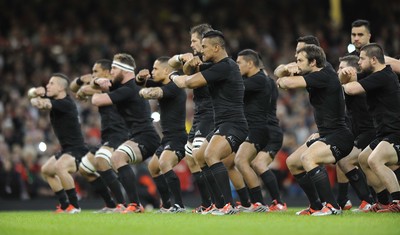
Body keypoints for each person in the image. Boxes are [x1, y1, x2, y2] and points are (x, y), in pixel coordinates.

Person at [172, 30, 248, 215]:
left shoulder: (225, 67)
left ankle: (228, 205)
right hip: (222, 124)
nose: (201, 51)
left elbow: (188, 82)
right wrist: (190, 63)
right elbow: (190, 70)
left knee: (211, 155)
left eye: (204, 47)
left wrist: (172, 77)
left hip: (234, 124)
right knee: (199, 156)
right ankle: (218, 204)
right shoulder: (216, 66)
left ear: (216, 47)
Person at [276, 45, 354, 216]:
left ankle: (332, 206)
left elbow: (285, 83)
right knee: (293, 162)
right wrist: (284, 72)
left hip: (339, 136)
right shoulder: (313, 74)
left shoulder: (324, 75)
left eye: (300, 60)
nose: (297, 63)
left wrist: (285, 75)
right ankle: (316, 206)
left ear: (313, 62)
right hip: (326, 135)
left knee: (307, 158)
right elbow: (278, 76)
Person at [91, 53, 160, 213]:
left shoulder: (129, 89)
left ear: (125, 70)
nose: (111, 71)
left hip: (146, 136)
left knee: (117, 157)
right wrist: (96, 81)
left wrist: (97, 87)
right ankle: (133, 204)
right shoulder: (123, 86)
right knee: (119, 159)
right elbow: (92, 86)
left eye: (114, 68)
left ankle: (134, 204)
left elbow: (96, 100)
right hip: (137, 136)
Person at [342, 43, 400, 213]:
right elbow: (349, 81)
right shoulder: (374, 76)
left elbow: (351, 89)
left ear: (374, 60)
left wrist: (343, 84)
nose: (358, 62)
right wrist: (345, 77)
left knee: (375, 160)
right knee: (363, 158)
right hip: (384, 133)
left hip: (396, 132)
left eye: (362, 58)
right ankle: (382, 202)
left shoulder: (383, 76)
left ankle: (397, 201)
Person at [70, 59, 129, 213]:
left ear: (107, 72)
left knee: (101, 162)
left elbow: (87, 91)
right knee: (85, 169)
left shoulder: (114, 83)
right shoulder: (97, 84)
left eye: (96, 71)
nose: (93, 74)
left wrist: (84, 89)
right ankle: (110, 204)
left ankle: (122, 205)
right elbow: (73, 87)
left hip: (120, 133)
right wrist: (81, 80)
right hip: (108, 134)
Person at [168, 24, 215, 213]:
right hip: (200, 113)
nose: (191, 44)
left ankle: (220, 202)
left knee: (201, 155)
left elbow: (186, 78)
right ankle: (207, 203)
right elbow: (172, 62)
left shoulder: (213, 62)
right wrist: (182, 58)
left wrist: (181, 70)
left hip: (213, 112)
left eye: (194, 40)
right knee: (191, 157)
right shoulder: (197, 59)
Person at [27, 73, 88, 213]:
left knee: (60, 167)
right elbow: (34, 101)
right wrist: (36, 94)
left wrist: (38, 97)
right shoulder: (55, 100)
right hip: (66, 149)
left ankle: (75, 206)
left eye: (51, 83)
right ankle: (65, 205)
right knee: (46, 170)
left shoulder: (66, 103)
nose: (48, 85)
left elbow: (43, 105)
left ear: (61, 88)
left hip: (78, 149)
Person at [136, 56, 187, 213]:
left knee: (164, 163)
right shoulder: (161, 83)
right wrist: (139, 78)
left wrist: (144, 91)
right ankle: (166, 205)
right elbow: (137, 84)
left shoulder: (175, 87)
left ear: (166, 70)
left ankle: (179, 205)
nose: (152, 71)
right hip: (167, 138)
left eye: (155, 68)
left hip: (178, 137)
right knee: (153, 167)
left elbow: (152, 92)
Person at [234, 49, 275, 213]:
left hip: (257, 128)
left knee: (240, 161)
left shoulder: (259, 80)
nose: (237, 66)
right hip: (248, 128)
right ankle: (247, 202)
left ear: (250, 63)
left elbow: (235, 88)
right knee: (232, 162)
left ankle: (258, 203)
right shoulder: (251, 79)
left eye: (239, 63)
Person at [335, 55, 376, 212]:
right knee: (345, 159)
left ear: (351, 70)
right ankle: (371, 200)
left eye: (341, 68)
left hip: (370, 132)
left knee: (346, 161)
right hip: (358, 133)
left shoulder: (357, 87)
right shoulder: (351, 86)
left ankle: (369, 201)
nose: (338, 71)